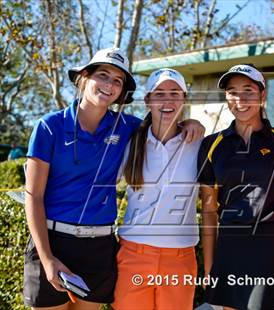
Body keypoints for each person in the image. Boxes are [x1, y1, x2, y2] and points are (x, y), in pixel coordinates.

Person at [24, 48, 204, 310]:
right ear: (84, 77)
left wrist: (192, 123)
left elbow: (165, 122)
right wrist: (47, 258)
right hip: (52, 242)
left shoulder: (127, 127)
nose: (109, 85)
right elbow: (34, 196)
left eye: (117, 81)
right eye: (103, 75)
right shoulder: (48, 126)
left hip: (99, 245)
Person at [197, 64, 274, 310]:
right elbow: (209, 211)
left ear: (263, 95)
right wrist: (209, 265)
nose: (240, 99)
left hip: (272, 248)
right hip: (229, 249)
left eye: (248, 90)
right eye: (232, 92)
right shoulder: (211, 145)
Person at [112, 68, 201, 310]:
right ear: (148, 100)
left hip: (181, 258)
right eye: (159, 93)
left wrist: (193, 123)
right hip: (133, 254)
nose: (167, 100)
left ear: (184, 99)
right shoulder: (130, 142)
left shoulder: (200, 144)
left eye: (175, 92)